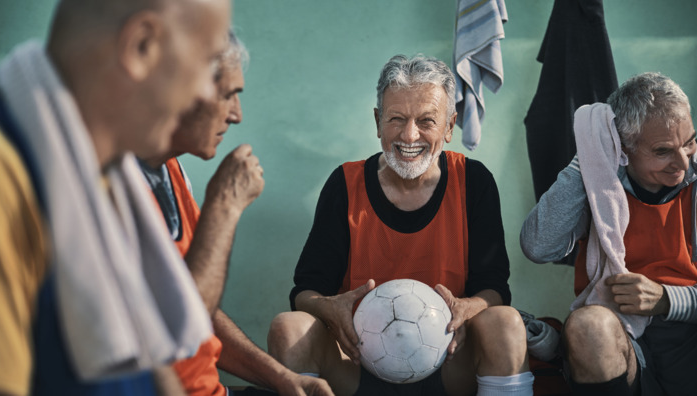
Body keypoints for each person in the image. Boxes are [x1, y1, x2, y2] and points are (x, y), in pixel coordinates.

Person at [0, 0, 231, 395]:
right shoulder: (6, 183)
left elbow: (151, 362)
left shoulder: (101, 175)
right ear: (141, 47)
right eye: (207, 65)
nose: (208, 94)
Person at [267, 54, 534, 396]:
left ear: (450, 126)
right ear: (378, 122)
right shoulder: (345, 185)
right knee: (287, 328)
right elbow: (304, 293)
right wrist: (329, 308)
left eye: (426, 120)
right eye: (396, 118)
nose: (410, 135)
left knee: (506, 322)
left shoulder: (474, 183)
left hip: (449, 365)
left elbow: (494, 288)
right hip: (357, 365)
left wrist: (468, 310)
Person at [139, 30, 334, 396]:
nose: (237, 115)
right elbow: (177, 330)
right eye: (228, 95)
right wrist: (224, 205)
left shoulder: (171, 171)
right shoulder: (106, 189)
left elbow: (203, 316)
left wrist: (284, 379)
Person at [520, 72, 697, 395]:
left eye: (689, 142)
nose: (683, 162)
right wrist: (589, 156)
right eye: (662, 151)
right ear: (623, 148)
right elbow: (538, 246)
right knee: (589, 326)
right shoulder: (601, 182)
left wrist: (668, 300)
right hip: (621, 341)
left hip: (688, 339)